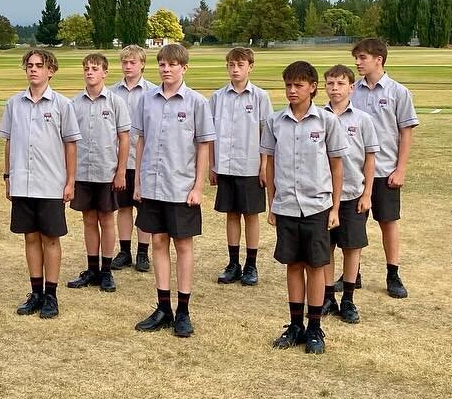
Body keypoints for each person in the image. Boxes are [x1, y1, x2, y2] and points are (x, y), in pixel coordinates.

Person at [131, 43, 215, 339]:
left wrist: (198, 186)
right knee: (158, 243)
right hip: (153, 186)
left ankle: (183, 310)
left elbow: (203, 145)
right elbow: (140, 141)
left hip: (181, 188)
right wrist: (139, 182)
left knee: (183, 246)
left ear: (184, 68)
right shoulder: (147, 100)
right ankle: (163, 307)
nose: (166, 69)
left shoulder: (196, 103)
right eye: (162, 64)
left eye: (172, 64)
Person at [261, 60, 346, 355]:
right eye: (288, 85)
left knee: (316, 266)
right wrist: (271, 204)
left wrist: (334, 208)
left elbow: (337, 166)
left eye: (298, 85)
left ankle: (314, 327)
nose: (292, 90)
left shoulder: (326, 122)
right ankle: (295, 324)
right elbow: (270, 165)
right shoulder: (275, 122)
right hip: (286, 205)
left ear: (312, 87)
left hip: (317, 206)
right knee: (293, 265)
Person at [0, 47, 80, 319]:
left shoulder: (62, 105)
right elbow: (9, 142)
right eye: (29, 65)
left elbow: (70, 145)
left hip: (50, 184)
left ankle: (51, 296)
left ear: (50, 71)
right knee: (30, 237)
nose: (33, 69)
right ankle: (35, 292)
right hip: (22, 182)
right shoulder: (14, 104)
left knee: (50, 239)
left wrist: (70, 181)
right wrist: (8, 177)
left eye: (38, 65)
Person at [350, 38, 420, 298]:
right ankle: (351, 274)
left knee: (388, 223)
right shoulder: (351, 91)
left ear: (378, 59)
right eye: (356, 58)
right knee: (353, 226)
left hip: (385, 171)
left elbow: (406, 133)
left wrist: (400, 169)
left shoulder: (398, 92)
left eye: (362, 58)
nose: (357, 62)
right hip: (355, 172)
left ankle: (393, 274)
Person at [66, 54, 131, 293]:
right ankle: (92, 268)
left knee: (106, 219)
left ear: (105, 72)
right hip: (83, 172)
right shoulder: (74, 104)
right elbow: (69, 141)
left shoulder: (115, 102)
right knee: (89, 219)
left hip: (107, 172)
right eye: (86, 69)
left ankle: (106, 270)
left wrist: (121, 171)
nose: (90, 72)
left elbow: (124, 139)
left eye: (95, 69)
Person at [320, 65, 379, 324]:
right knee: (326, 247)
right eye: (330, 83)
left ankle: (349, 299)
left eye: (340, 84)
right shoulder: (317, 117)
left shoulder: (363, 120)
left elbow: (370, 158)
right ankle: (328, 296)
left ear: (351, 88)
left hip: (353, 193)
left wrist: (367, 194)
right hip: (323, 195)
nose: (335, 89)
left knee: (352, 247)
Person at [209, 47, 272, 287]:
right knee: (231, 214)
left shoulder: (259, 97)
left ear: (250, 67)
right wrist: (212, 166)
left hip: (250, 166)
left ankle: (251, 264)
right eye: (231, 65)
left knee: (251, 215)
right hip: (225, 166)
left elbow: (266, 135)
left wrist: (264, 166)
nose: (235, 70)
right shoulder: (218, 97)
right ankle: (233, 263)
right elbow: (210, 134)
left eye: (241, 65)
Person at [109, 45, 157, 273]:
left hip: (143, 160)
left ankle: (143, 253)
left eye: (133, 63)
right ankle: (125, 250)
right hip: (119, 161)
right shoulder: (111, 92)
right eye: (125, 62)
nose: (128, 66)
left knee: (144, 208)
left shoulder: (153, 92)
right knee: (124, 207)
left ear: (142, 64)